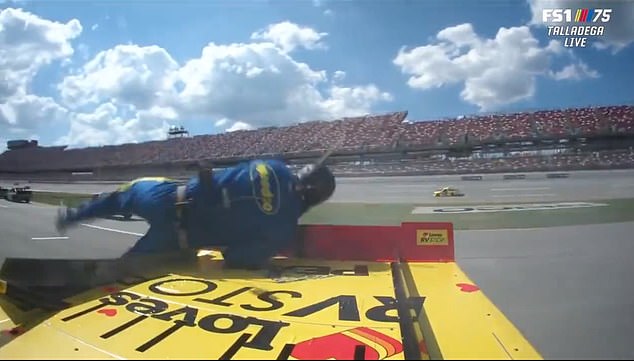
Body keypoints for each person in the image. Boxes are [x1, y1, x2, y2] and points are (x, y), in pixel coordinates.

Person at [55, 157, 336, 269]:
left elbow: (232, 175)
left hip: (166, 196)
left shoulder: (273, 164)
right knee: (127, 272)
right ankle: (114, 271)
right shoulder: (284, 228)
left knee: (121, 196)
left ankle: (73, 216)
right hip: (178, 238)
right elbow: (237, 259)